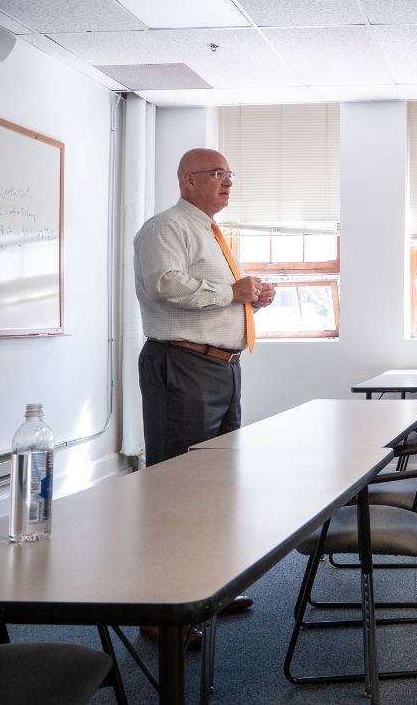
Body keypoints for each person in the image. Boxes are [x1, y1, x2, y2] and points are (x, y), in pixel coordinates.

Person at [133, 147, 276, 646]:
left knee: (215, 488)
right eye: (217, 174)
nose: (227, 183)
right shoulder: (165, 228)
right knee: (177, 489)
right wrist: (232, 294)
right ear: (187, 180)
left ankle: (206, 592)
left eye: (230, 175)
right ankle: (159, 613)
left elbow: (214, 292)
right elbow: (165, 286)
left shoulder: (211, 234)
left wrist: (251, 296)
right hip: (183, 364)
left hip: (221, 368)